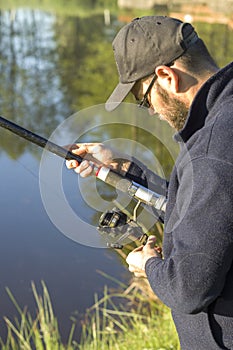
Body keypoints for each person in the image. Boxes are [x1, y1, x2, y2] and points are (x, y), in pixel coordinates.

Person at [66, 16, 233, 350]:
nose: (151, 112)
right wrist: (123, 167)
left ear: (166, 76)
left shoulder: (210, 152)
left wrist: (149, 265)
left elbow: (188, 290)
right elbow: (204, 208)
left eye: (144, 99)